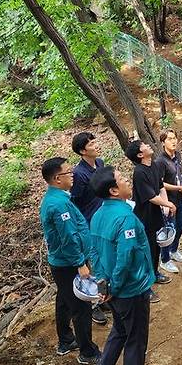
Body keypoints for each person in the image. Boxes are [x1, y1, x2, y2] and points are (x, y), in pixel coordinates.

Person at [88, 166, 160, 365]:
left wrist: (103, 286)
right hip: (130, 290)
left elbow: (94, 251)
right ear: (114, 190)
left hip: (113, 290)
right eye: (121, 179)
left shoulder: (98, 215)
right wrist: (115, 287)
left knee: (118, 333)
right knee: (135, 339)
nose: (127, 180)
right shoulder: (125, 217)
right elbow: (126, 257)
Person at [38, 157, 102, 365]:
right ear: (57, 179)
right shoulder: (58, 205)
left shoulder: (58, 198)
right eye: (68, 172)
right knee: (81, 307)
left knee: (64, 299)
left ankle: (65, 340)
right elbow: (68, 237)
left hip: (63, 262)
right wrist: (80, 263)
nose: (72, 175)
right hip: (68, 264)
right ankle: (87, 352)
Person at [124, 140, 177, 303]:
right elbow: (151, 197)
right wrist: (167, 204)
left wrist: (166, 205)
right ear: (140, 155)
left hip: (156, 215)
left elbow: (160, 187)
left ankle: (155, 274)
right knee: (145, 252)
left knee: (155, 248)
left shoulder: (153, 165)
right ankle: (145, 287)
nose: (147, 145)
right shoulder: (139, 172)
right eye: (144, 146)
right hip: (143, 218)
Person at [69, 132, 108, 326]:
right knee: (92, 261)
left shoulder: (100, 163)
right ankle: (94, 304)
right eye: (91, 144)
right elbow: (75, 202)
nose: (96, 145)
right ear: (83, 150)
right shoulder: (79, 173)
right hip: (89, 223)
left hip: (104, 220)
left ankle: (104, 295)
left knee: (103, 258)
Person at [154, 129, 182, 274]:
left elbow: (178, 175)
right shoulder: (160, 161)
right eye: (169, 139)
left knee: (180, 226)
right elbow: (160, 183)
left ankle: (174, 251)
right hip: (167, 201)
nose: (173, 141)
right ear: (163, 142)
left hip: (179, 199)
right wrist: (178, 187)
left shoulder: (178, 156)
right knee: (169, 230)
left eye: (174, 138)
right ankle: (164, 260)